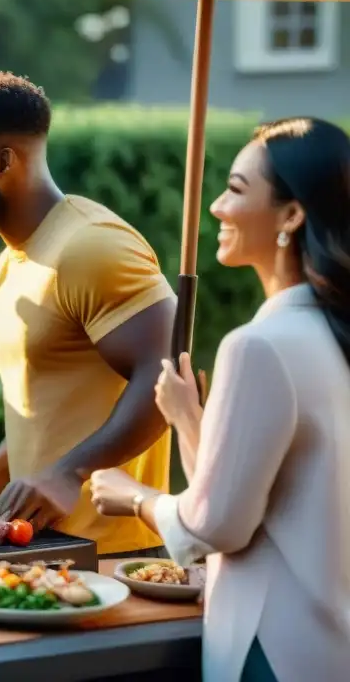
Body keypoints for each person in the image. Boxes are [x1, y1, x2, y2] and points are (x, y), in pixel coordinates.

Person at [91, 118, 350, 682]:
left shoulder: (259, 346)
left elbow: (217, 528)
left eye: (234, 189)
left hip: (274, 648)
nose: (214, 207)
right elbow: (260, 502)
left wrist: (134, 496)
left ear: (291, 215)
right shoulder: (330, 338)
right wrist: (190, 421)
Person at [0, 71, 176, 557]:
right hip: (37, 548)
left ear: (4, 162)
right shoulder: (14, 260)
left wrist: (71, 471)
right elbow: (54, 402)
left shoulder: (92, 246)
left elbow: (167, 373)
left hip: (110, 554)